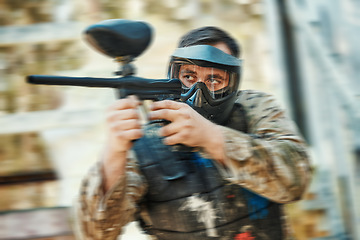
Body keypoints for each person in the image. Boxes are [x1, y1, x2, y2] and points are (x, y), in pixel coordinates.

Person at [74, 26, 312, 240]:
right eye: (189, 77)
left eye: (215, 79)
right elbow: (97, 233)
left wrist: (213, 138)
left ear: (233, 82)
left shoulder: (254, 108)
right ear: (174, 75)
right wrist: (114, 151)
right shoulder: (144, 138)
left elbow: (296, 180)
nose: (199, 90)